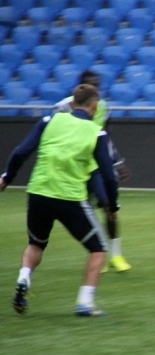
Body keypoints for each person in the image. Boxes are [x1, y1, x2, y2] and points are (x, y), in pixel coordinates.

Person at [0, 84, 119, 317]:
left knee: (36, 244)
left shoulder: (49, 121)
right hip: (70, 197)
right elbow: (108, 176)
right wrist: (112, 206)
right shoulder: (97, 133)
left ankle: (24, 277)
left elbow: (21, 152)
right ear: (95, 106)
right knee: (98, 249)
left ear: (72, 103)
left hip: (38, 193)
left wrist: (6, 178)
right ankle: (85, 303)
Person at [55, 69, 132, 273]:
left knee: (111, 208)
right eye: (92, 85)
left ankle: (116, 255)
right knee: (86, 210)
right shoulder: (62, 108)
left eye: (98, 85)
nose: (96, 90)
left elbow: (103, 137)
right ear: (80, 88)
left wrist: (117, 161)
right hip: (77, 167)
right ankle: (98, 254)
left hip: (98, 165)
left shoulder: (102, 107)